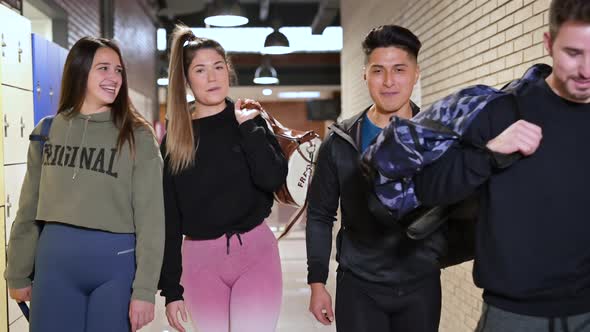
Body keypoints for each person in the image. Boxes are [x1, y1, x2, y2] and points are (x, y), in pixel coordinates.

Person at [414, 0, 590, 330]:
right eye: (574, 53)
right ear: (549, 44)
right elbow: (427, 188)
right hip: (513, 316)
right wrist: (489, 153)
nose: (587, 70)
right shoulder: (503, 111)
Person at [4, 36, 165, 332]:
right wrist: (17, 271)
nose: (113, 78)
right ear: (80, 71)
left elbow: (152, 220)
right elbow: (28, 208)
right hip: (55, 266)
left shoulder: (138, 137)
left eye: (118, 71)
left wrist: (144, 290)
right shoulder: (46, 132)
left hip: (115, 269)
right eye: (103, 68)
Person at [306, 25, 445, 332]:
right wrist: (317, 281)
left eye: (399, 69)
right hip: (360, 286)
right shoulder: (341, 142)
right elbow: (319, 214)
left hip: (420, 285)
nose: (389, 81)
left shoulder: (436, 137)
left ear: (416, 73)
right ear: (365, 75)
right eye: (378, 70)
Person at [158, 25, 288, 332]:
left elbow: (273, 177)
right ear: (187, 80)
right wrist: (171, 291)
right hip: (200, 261)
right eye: (200, 70)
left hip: (255, 253)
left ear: (229, 70)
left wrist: (248, 130)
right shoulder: (176, 138)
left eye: (218, 67)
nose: (212, 77)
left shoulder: (250, 120)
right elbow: (168, 218)